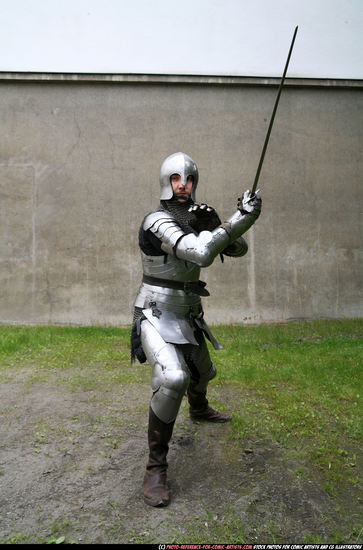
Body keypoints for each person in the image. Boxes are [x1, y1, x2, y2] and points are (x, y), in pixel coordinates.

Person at [131, 152, 261, 507]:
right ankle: (155, 467)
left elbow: (238, 250)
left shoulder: (192, 218)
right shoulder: (157, 221)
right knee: (173, 379)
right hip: (156, 311)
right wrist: (237, 219)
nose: (183, 185)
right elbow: (201, 254)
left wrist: (220, 223)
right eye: (176, 178)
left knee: (204, 373)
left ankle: (199, 408)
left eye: (188, 179)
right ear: (166, 182)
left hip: (188, 313)